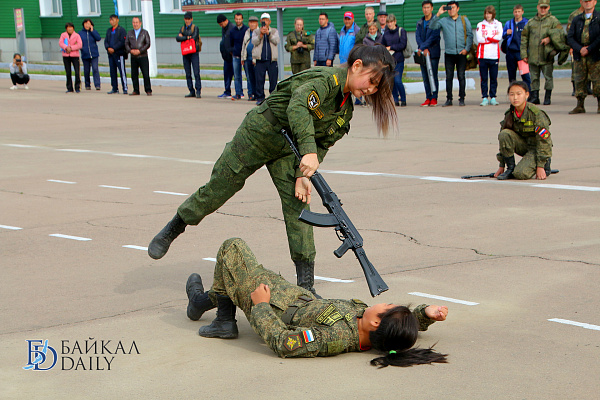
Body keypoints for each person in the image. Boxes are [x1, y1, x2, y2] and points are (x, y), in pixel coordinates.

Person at [148, 45, 398, 296]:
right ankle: (174, 227)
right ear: (356, 66)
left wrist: (304, 175)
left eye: (377, 87)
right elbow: (298, 105)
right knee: (220, 187)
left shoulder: (345, 112)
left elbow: (323, 144)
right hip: (260, 132)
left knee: (299, 208)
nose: (371, 89)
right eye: (372, 80)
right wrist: (309, 151)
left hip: (289, 150)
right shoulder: (325, 80)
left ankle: (306, 289)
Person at [186, 237, 449, 366]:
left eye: (388, 307)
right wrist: (424, 314)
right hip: (291, 294)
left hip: (273, 302)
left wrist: (261, 305)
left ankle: (221, 319)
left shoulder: (333, 338)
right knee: (231, 274)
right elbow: (399, 329)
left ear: (376, 321)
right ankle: (201, 303)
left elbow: (284, 344)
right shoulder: (371, 327)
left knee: (232, 248)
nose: (386, 303)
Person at [494, 81, 553, 181]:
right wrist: (501, 165)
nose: (515, 98)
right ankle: (510, 168)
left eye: (519, 94)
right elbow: (503, 142)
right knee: (504, 134)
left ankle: (545, 163)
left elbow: (544, 141)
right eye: (512, 94)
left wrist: (540, 166)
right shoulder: (510, 114)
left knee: (520, 174)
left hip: (536, 149)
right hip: (523, 146)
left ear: (526, 94)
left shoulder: (536, 114)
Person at [520, 0, 565, 105]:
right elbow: (524, 38)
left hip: (546, 55)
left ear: (548, 8)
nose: (543, 9)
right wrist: (524, 54)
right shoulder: (531, 22)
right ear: (537, 7)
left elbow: (561, 34)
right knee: (534, 78)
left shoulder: (553, 21)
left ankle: (547, 96)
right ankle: (535, 96)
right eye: (541, 7)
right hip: (533, 55)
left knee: (548, 77)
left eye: (545, 7)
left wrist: (550, 38)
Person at [430, 1, 473, 107]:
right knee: (448, 77)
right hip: (449, 53)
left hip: (461, 53)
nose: (451, 10)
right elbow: (432, 26)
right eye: (449, 8)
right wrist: (438, 14)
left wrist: (466, 49)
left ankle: (461, 98)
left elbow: (470, 34)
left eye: (453, 8)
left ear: (457, 9)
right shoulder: (444, 21)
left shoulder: (464, 20)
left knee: (461, 76)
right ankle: (449, 99)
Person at [567, 0, 600, 114]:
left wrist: (589, 48)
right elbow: (570, 37)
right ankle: (580, 105)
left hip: (595, 54)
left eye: (590, 1)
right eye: (585, 1)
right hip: (580, 55)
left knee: (597, 80)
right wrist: (579, 48)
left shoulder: (598, 18)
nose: (587, 3)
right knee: (579, 80)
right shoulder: (576, 19)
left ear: (595, 2)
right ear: (581, 2)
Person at [416, 0, 441, 107]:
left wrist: (423, 47)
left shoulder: (436, 21)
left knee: (433, 75)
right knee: (425, 76)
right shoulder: (420, 22)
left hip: (433, 52)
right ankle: (428, 97)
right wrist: (422, 48)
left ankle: (434, 97)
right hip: (422, 53)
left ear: (432, 8)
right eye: (424, 8)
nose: (426, 10)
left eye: (428, 7)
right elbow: (418, 37)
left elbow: (433, 37)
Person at [476, 5, 503, 106]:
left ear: (493, 14)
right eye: (486, 13)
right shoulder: (480, 25)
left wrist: (487, 37)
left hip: (494, 55)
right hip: (482, 55)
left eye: (490, 13)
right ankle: (484, 97)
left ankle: (493, 97)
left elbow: (498, 38)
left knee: (493, 77)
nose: (488, 15)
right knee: (483, 77)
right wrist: (491, 38)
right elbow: (480, 39)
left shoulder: (498, 24)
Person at [252, 13, 279, 105]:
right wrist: (260, 34)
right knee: (259, 80)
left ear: (270, 21)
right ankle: (260, 97)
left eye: (267, 20)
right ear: (261, 21)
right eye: (263, 20)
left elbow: (277, 40)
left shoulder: (274, 31)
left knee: (273, 80)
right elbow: (254, 41)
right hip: (260, 60)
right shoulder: (256, 31)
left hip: (272, 60)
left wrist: (268, 34)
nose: (265, 22)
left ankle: (273, 97)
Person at [502, 5, 531, 92]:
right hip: (511, 53)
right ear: (513, 12)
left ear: (522, 12)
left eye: (519, 11)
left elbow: (530, 37)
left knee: (525, 75)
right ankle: (513, 94)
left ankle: (528, 94)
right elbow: (503, 36)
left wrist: (527, 53)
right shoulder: (509, 23)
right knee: (511, 76)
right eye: (515, 12)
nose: (517, 13)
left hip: (521, 53)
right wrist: (506, 33)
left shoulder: (527, 23)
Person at [381, 14, 407, 107]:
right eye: (388, 22)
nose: (390, 24)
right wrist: (385, 49)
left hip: (399, 59)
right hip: (389, 61)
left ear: (395, 22)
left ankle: (403, 99)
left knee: (397, 80)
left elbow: (403, 44)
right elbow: (382, 45)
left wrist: (391, 47)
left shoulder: (401, 31)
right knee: (391, 81)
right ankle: (395, 99)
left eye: (391, 22)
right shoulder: (386, 34)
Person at [176, 11, 202, 99]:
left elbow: (194, 37)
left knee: (196, 72)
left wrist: (183, 37)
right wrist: (187, 37)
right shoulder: (182, 28)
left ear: (191, 19)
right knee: (187, 73)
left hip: (194, 52)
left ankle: (198, 90)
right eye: (186, 19)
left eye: (189, 19)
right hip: (185, 53)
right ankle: (191, 91)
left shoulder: (195, 28)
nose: (187, 21)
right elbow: (177, 38)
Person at [125, 17, 152, 96]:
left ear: (140, 23)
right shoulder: (130, 33)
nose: (135, 24)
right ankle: (136, 90)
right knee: (134, 74)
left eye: (137, 22)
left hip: (143, 56)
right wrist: (131, 50)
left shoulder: (145, 33)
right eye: (133, 22)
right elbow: (126, 43)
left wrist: (140, 51)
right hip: (133, 57)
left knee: (145, 74)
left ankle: (148, 90)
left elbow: (147, 43)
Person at [105, 14, 128, 95]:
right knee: (112, 71)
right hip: (111, 55)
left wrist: (114, 48)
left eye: (113, 19)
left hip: (119, 54)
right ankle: (114, 88)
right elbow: (106, 41)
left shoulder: (121, 30)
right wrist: (108, 48)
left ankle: (125, 88)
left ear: (117, 20)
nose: (112, 21)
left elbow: (122, 42)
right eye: (111, 20)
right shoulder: (109, 30)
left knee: (122, 71)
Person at [567, 4, 585, 97]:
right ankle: (575, 88)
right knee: (576, 68)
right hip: (576, 46)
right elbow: (570, 31)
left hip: (588, 46)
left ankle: (588, 88)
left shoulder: (594, 15)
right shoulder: (574, 15)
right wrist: (571, 46)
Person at [59, 23, 82, 94]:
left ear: (73, 28)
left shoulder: (77, 35)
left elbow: (80, 44)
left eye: (71, 28)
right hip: (66, 55)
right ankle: (69, 88)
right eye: (68, 28)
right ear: (66, 29)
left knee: (77, 71)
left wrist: (71, 48)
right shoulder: (63, 35)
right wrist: (66, 47)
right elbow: (61, 43)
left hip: (75, 55)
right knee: (68, 72)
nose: (70, 29)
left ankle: (77, 87)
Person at [78, 19, 101, 91]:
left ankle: (97, 84)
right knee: (86, 70)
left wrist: (92, 31)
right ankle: (87, 85)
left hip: (94, 54)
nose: (87, 25)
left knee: (95, 69)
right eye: (85, 24)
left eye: (88, 24)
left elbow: (98, 38)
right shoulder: (80, 33)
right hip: (85, 54)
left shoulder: (93, 32)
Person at [230, 12, 248, 100]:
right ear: (234, 19)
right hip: (236, 56)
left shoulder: (246, 30)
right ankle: (238, 93)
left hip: (245, 56)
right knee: (237, 76)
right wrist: (233, 51)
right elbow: (230, 43)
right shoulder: (232, 31)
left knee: (248, 75)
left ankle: (251, 93)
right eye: (236, 19)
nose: (238, 21)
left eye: (239, 19)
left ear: (242, 19)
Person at [217, 14, 234, 99]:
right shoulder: (224, 29)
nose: (221, 26)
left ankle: (239, 92)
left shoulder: (232, 28)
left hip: (232, 56)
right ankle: (227, 91)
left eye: (221, 24)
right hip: (226, 57)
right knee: (226, 75)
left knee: (236, 76)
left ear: (226, 21)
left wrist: (232, 50)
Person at [241, 16, 258, 102]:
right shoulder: (247, 32)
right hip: (247, 58)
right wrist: (242, 57)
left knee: (257, 77)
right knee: (249, 77)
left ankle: (258, 94)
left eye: (254, 22)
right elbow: (244, 45)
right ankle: (251, 94)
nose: (252, 24)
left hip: (256, 59)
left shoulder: (259, 32)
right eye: (250, 22)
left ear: (257, 24)